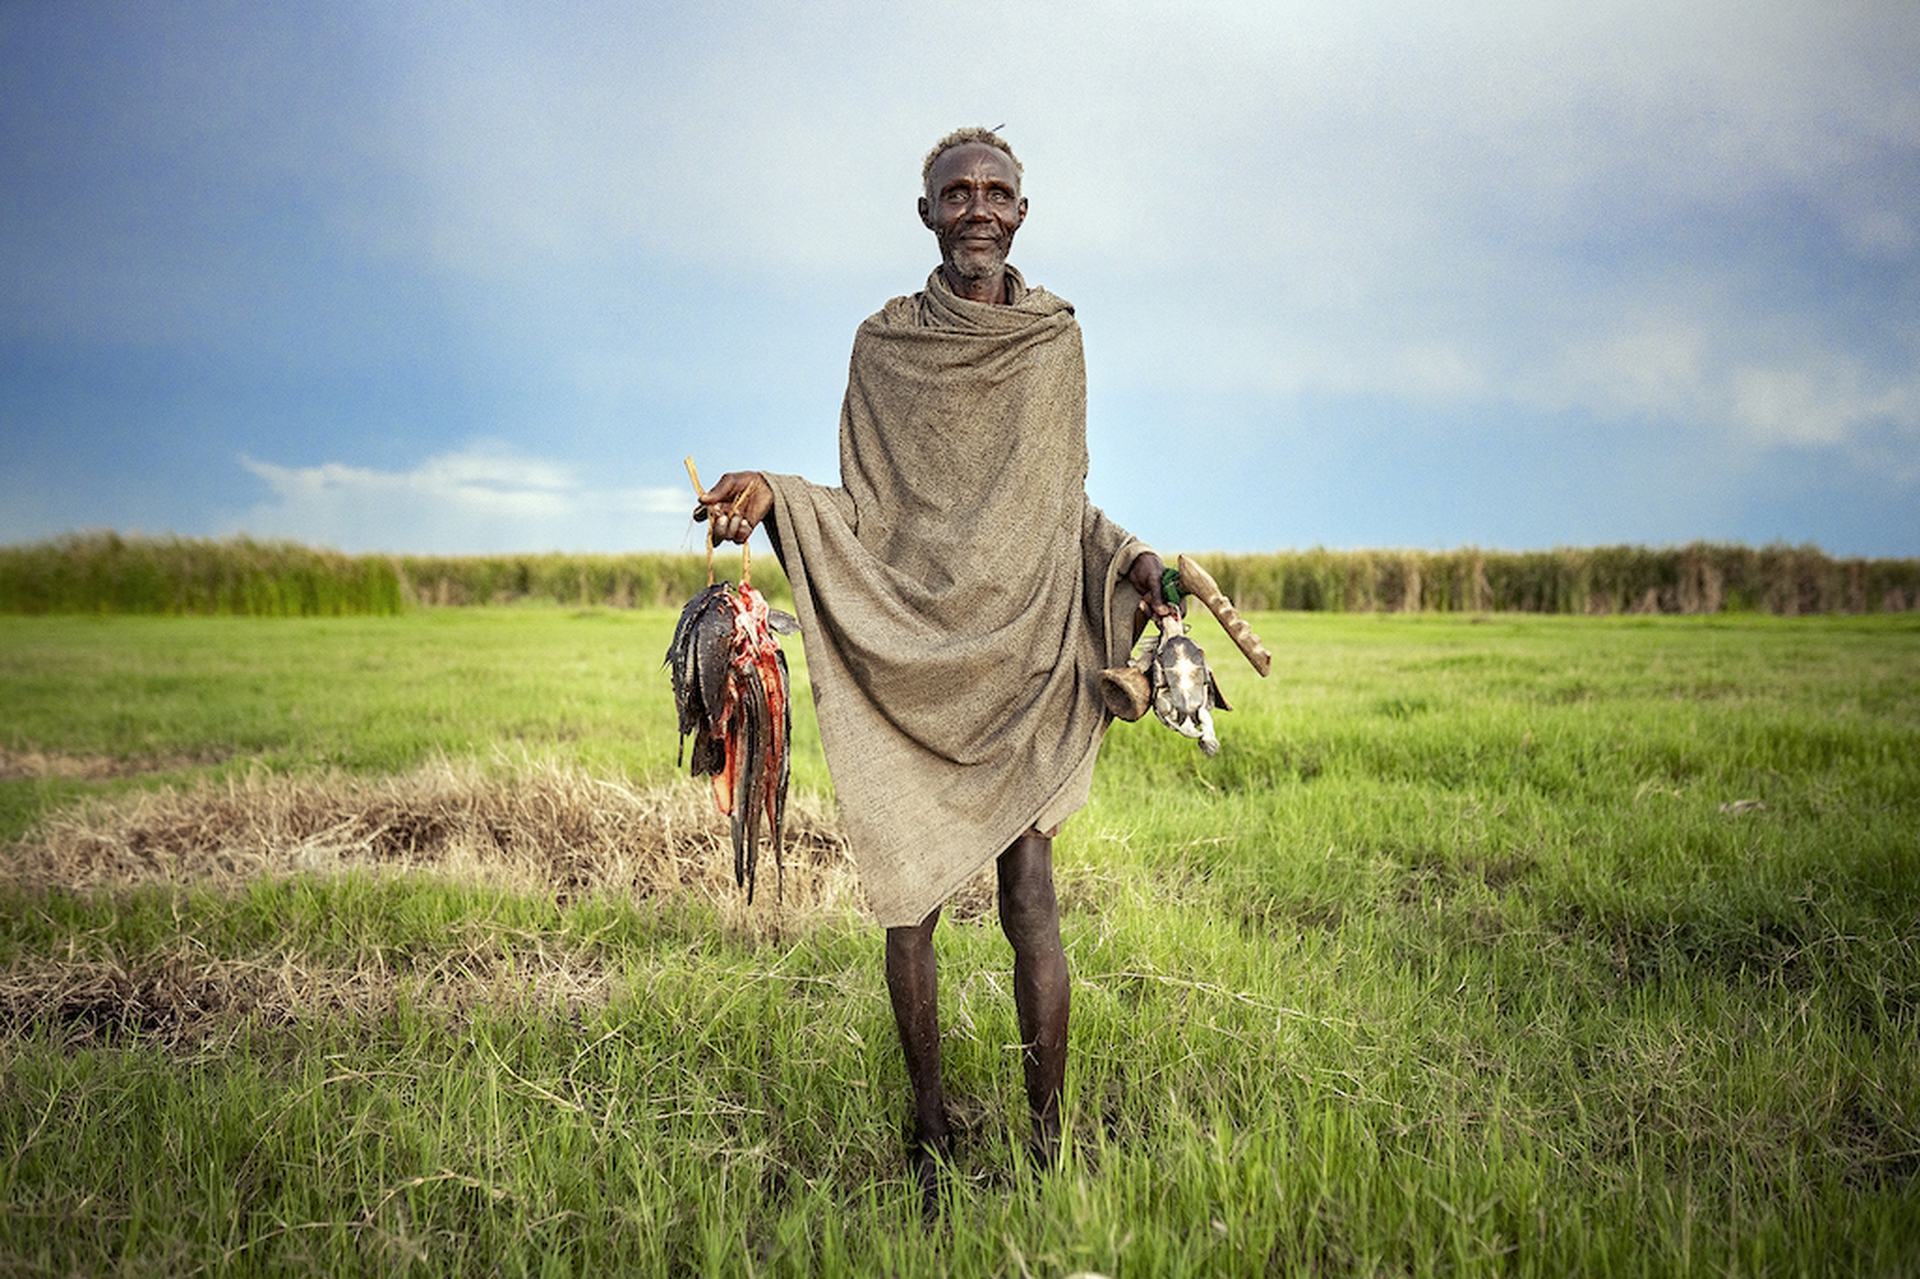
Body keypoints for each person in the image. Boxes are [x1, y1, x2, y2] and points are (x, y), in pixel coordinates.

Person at [696, 127, 1175, 1188]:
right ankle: (929, 1131)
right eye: (953, 193)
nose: (975, 208)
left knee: (1030, 901)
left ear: (1021, 211)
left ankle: (1049, 1142)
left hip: (1025, 662)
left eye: (994, 191)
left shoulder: (1054, 342)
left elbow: (1058, 512)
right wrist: (772, 492)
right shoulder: (885, 346)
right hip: (909, 651)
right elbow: (864, 507)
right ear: (926, 214)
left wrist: (1134, 558)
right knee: (905, 905)